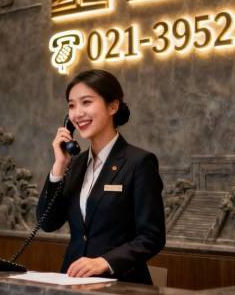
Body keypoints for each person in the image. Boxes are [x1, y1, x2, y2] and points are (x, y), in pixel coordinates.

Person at [37, 69, 166, 285]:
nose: (77, 113)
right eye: (71, 105)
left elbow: (152, 237)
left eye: (86, 102)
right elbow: (47, 223)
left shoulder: (139, 162)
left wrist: (105, 262)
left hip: (122, 285)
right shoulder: (75, 164)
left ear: (113, 107)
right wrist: (59, 166)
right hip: (73, 283)